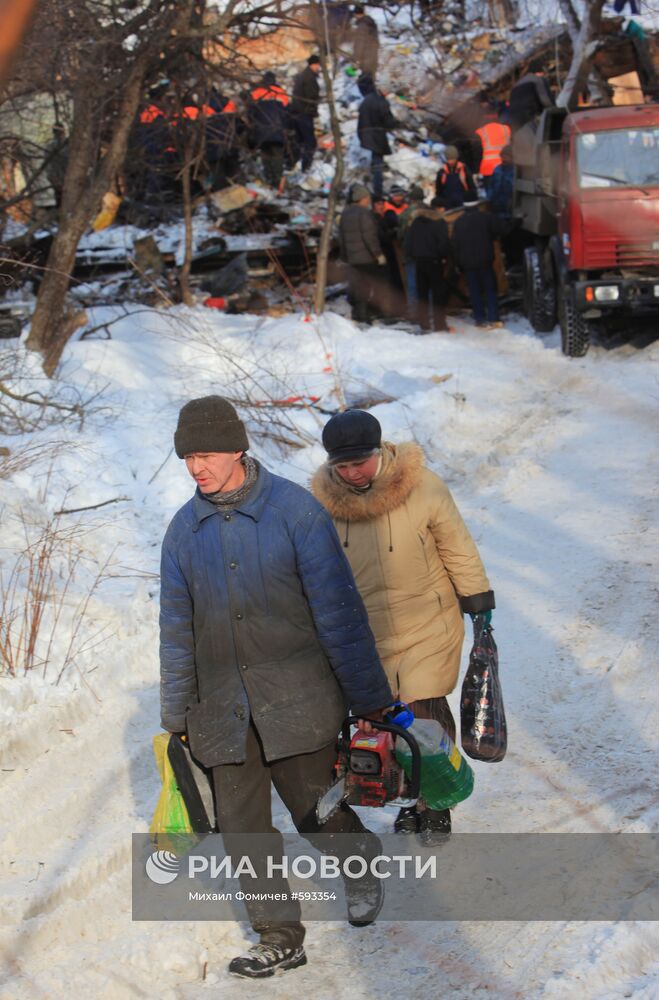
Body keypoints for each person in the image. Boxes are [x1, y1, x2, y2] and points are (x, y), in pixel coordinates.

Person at [160, 396, 393, 979]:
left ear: (238, 448)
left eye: (206, 454)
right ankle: (279, 934)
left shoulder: (296, 513)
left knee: (316, 814)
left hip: (296, 699)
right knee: (243, 830)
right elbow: (176, 630)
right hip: (221, 709)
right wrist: (177, 716)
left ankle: (359, 861)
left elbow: (340, 614)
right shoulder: (183, 533)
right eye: (187, 457)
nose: (196, 468)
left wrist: (368, 699)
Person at [311, 410, 495, 842]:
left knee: (423, 715)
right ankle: (404, 792)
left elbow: (457, 546)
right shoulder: (321, 506)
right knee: (380, 717)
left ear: (380, 453)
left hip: (426, 622)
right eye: (343, 466)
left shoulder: (423, 486)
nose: (353, 473)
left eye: (361, 462)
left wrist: (478, 600)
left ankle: (436, 804)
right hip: (365, 630)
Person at [338, 183, 386, 322]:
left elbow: (341, 237)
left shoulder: (345, 213)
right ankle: (365, 314)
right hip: (366, 257)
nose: (369, 201)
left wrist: (344, 256)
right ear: (362, 198)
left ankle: (358, 313)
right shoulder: (365, 213)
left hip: (352, 258)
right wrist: (378, 254)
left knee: (357, 285)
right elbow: (369, 236)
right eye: (367, 198)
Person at [451, 200, 503, 328]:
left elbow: (455, 245)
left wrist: (457, 263)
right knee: (490, 289)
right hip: (485, 260)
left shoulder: (459, 221)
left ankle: (479, 319)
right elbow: (500, 230)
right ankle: (494, 317)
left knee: (474, 291)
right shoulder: (486, 218)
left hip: (467, 263)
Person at [404, 196, 450, 332]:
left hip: (418, 261)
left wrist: (413, 255)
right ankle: (439, 324)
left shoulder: (417, 221)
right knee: (438, 294)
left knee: (422, 294)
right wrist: (444, 256)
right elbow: (443, 243)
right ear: (440, 209)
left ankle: (424, 323)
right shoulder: (440, 222)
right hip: (434, 261)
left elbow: (409, 241)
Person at [357, 77, 398, 198]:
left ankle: (367, 184)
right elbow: (388, 122)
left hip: (364, 134)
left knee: (368, 162)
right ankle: (377, 190)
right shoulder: (382, 103)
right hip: (376, 137)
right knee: (377, 165)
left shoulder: (368, 99)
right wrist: (396, 123)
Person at [248, 72, 290, 189]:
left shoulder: (256, 93)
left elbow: (251, 114)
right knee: (277, 156)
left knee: (265, 155)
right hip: (278, 130)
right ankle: (277, 181)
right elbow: (287, 114)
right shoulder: (281, 93)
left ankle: (269, 180)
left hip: (261, 132)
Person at [289, 54, 322, 172]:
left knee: (299, 140)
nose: (319, 67)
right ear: (313, 65)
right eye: (318, 65)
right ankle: (306, 167)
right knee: (310, 142)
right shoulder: (309, 78)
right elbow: (311, 98)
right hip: (304, 114)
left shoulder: (303, 76)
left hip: (297, 113)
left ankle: (293, 164)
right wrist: (314, 112)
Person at [474, 113, 511, 196]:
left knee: (491, 195)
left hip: (488, 169)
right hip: (506, 166)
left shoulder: (480, 132)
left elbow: (477, 153)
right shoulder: (507, 129)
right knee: (506, 194)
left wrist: (476, 170)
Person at [509, 67, 554, 131]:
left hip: (516, 124)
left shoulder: (516, 86)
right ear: (539, 73)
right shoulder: (537, 79)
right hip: (532, 117)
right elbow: (546, 99)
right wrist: (556, 111)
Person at [352, 4, 379, 77]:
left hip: (365, 61)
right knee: (370, 82)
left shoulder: (362, 26)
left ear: (355, 14)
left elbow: (359, 44)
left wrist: (355, 59)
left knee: (364, 82)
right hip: (373, 58)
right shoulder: (370, 23)